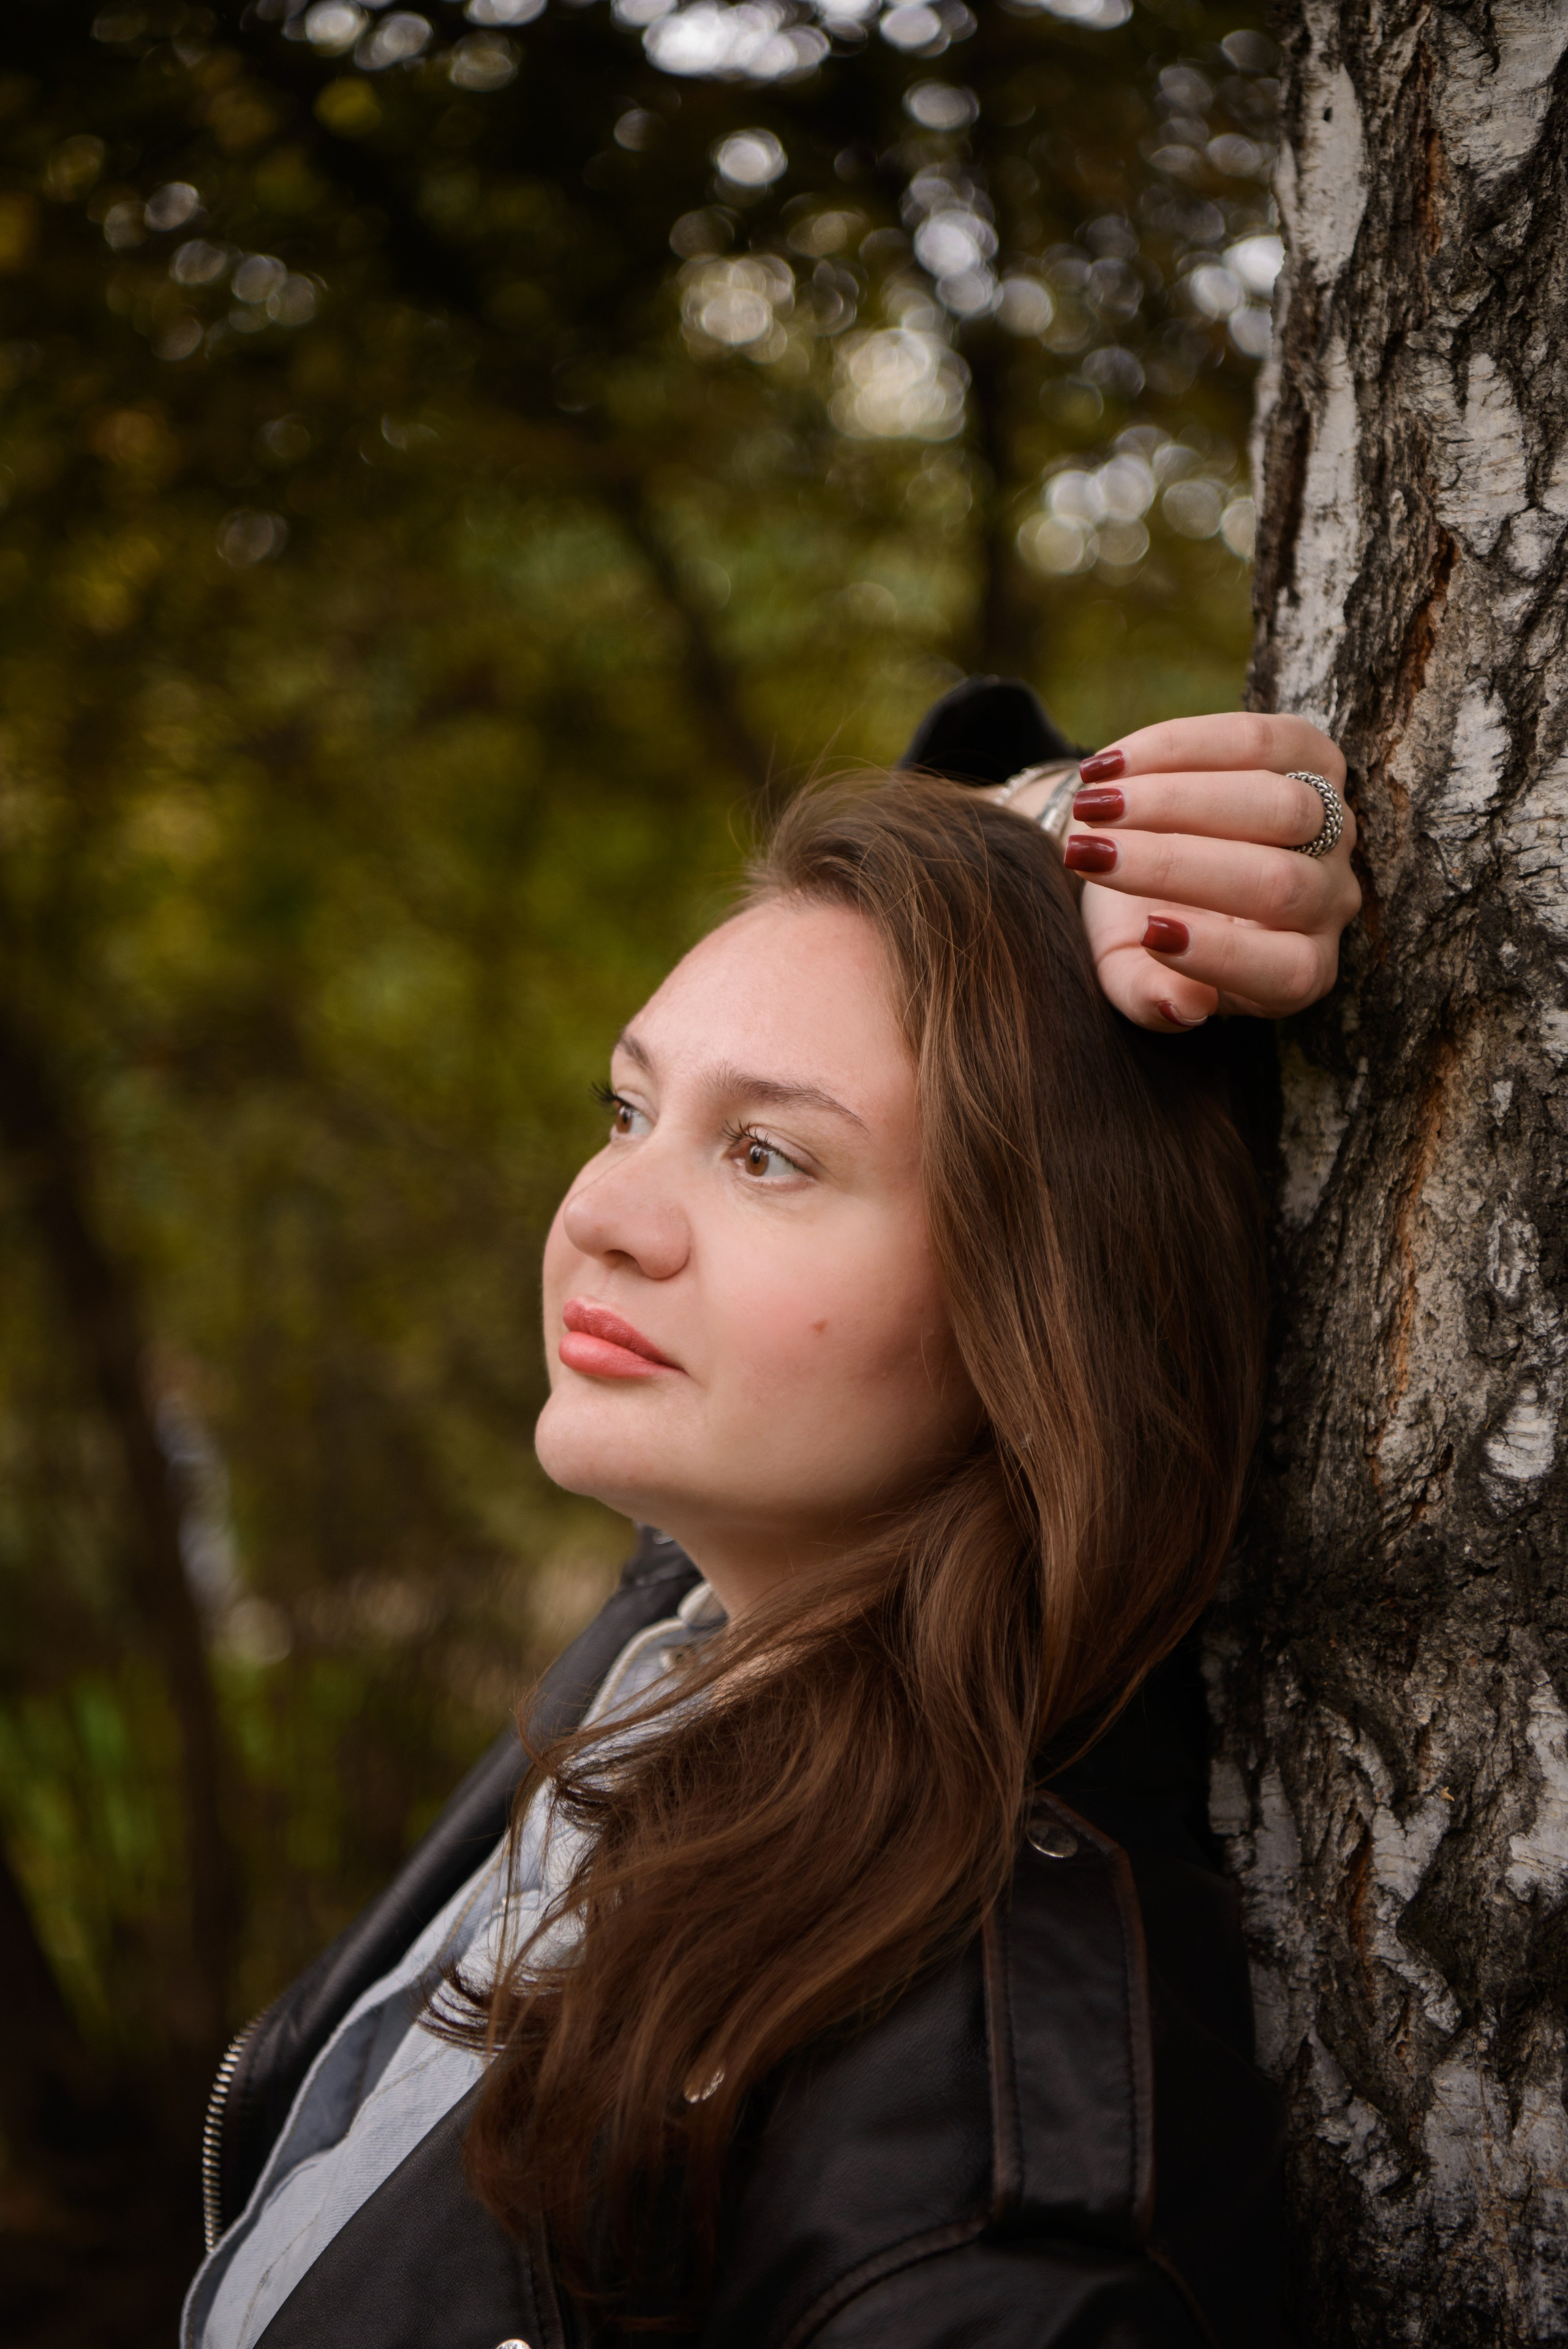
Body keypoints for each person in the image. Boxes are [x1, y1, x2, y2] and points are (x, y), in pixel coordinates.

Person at [182, 683, 1357, 2349]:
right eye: (627, 1107)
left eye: (769, 1158)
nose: (602, 1214)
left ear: (1043, 1309)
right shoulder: (715, 1624)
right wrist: (1042, 824)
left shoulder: (986, 2199)